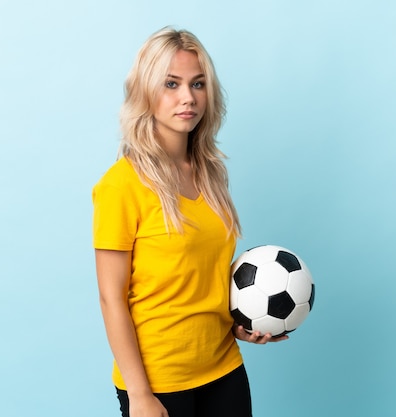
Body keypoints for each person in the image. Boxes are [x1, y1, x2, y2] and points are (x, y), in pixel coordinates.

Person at [92, 27, 287, 417]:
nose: (188, 97)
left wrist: (240, 320)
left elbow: (204, 273)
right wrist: (140, 395)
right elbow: (111, 298)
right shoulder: (121, 185)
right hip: (159, 382)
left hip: (224, 368)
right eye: (171, 84)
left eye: (198, 84)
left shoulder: (210, 173)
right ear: (146, 92)